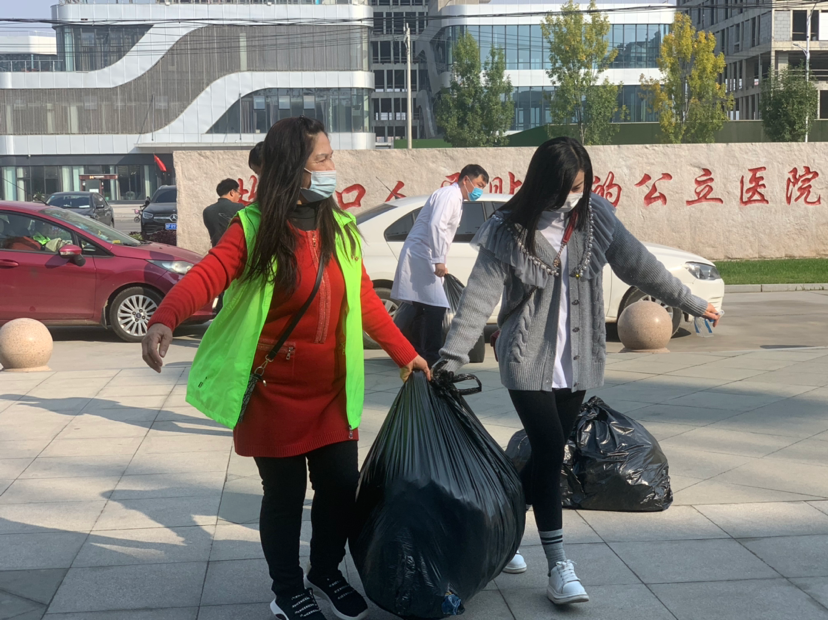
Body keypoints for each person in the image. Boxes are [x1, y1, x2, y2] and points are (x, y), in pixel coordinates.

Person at [141, 117, 430, 620]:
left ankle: (325, 571)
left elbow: (365, 301)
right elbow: (208, 274)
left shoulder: (340, 228)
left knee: (340, 486)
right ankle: (287, 588)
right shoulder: (252, 228)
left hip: (332, 391)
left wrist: (407, 353)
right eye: (322, 159)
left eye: (330, 156)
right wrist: (165, 317)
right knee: (285, 495)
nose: (332, 167)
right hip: (272, 391)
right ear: (293, 168)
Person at [435, 137, 721, 608]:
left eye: (581, 185)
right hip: (526, 359)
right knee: (550, 451)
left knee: (546, 456)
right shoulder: (507, 228)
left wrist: (689, 300)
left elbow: (641, 267)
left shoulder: (596, 216)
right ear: (542, 184)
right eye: (566, 187)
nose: (573, 196)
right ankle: (559, 567)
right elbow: (478, 298)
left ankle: (498, 527)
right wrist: (451, 357)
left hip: (578, 361)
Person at [391, 164, 489, 366]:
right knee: (436, 307)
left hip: (424, 255)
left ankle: (418, 354)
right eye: (479, 185)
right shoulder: (450, 195)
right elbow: (437, 225)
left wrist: (440, 258)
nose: (479, 190)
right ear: (466, 180)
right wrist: (438, 260)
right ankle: (431, 356)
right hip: (422, 255)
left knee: (423, 307)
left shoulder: (455, 198)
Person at [202, 178, 242, 248]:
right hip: (235, 250)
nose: (239, 196)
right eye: (239, 193)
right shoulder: (239, 208)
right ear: (232, 192)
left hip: (216, 250)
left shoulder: (207, 211)